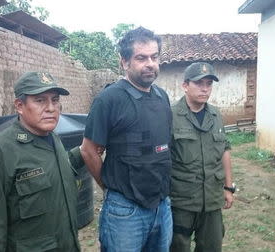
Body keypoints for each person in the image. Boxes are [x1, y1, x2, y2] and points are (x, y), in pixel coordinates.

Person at [80, 27, 173, 251]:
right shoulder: (109, 99)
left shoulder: (162, 97)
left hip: (162, 206)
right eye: (141, 58)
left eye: (154, 57)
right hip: (125, 211)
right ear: (124, 61)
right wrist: (110, 188)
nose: (150, 63)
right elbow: (88, 150)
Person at [0, 72, 83, 251]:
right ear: (20, 106)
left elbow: (55, 170)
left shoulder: (53, 138)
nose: (51, 108)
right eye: (40, 101)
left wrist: (83, 152)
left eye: (55, 100)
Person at [170, 62, 234, 252]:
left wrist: (228, 187)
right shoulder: (170, 115)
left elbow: (225, 149)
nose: (205, 89)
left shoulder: (216, 115)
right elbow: (161, 157)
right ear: (185, 85)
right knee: (177, 247)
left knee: (212, 247)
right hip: (182, 199)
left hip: (212, 197)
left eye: (209, 83)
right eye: (199, 83)